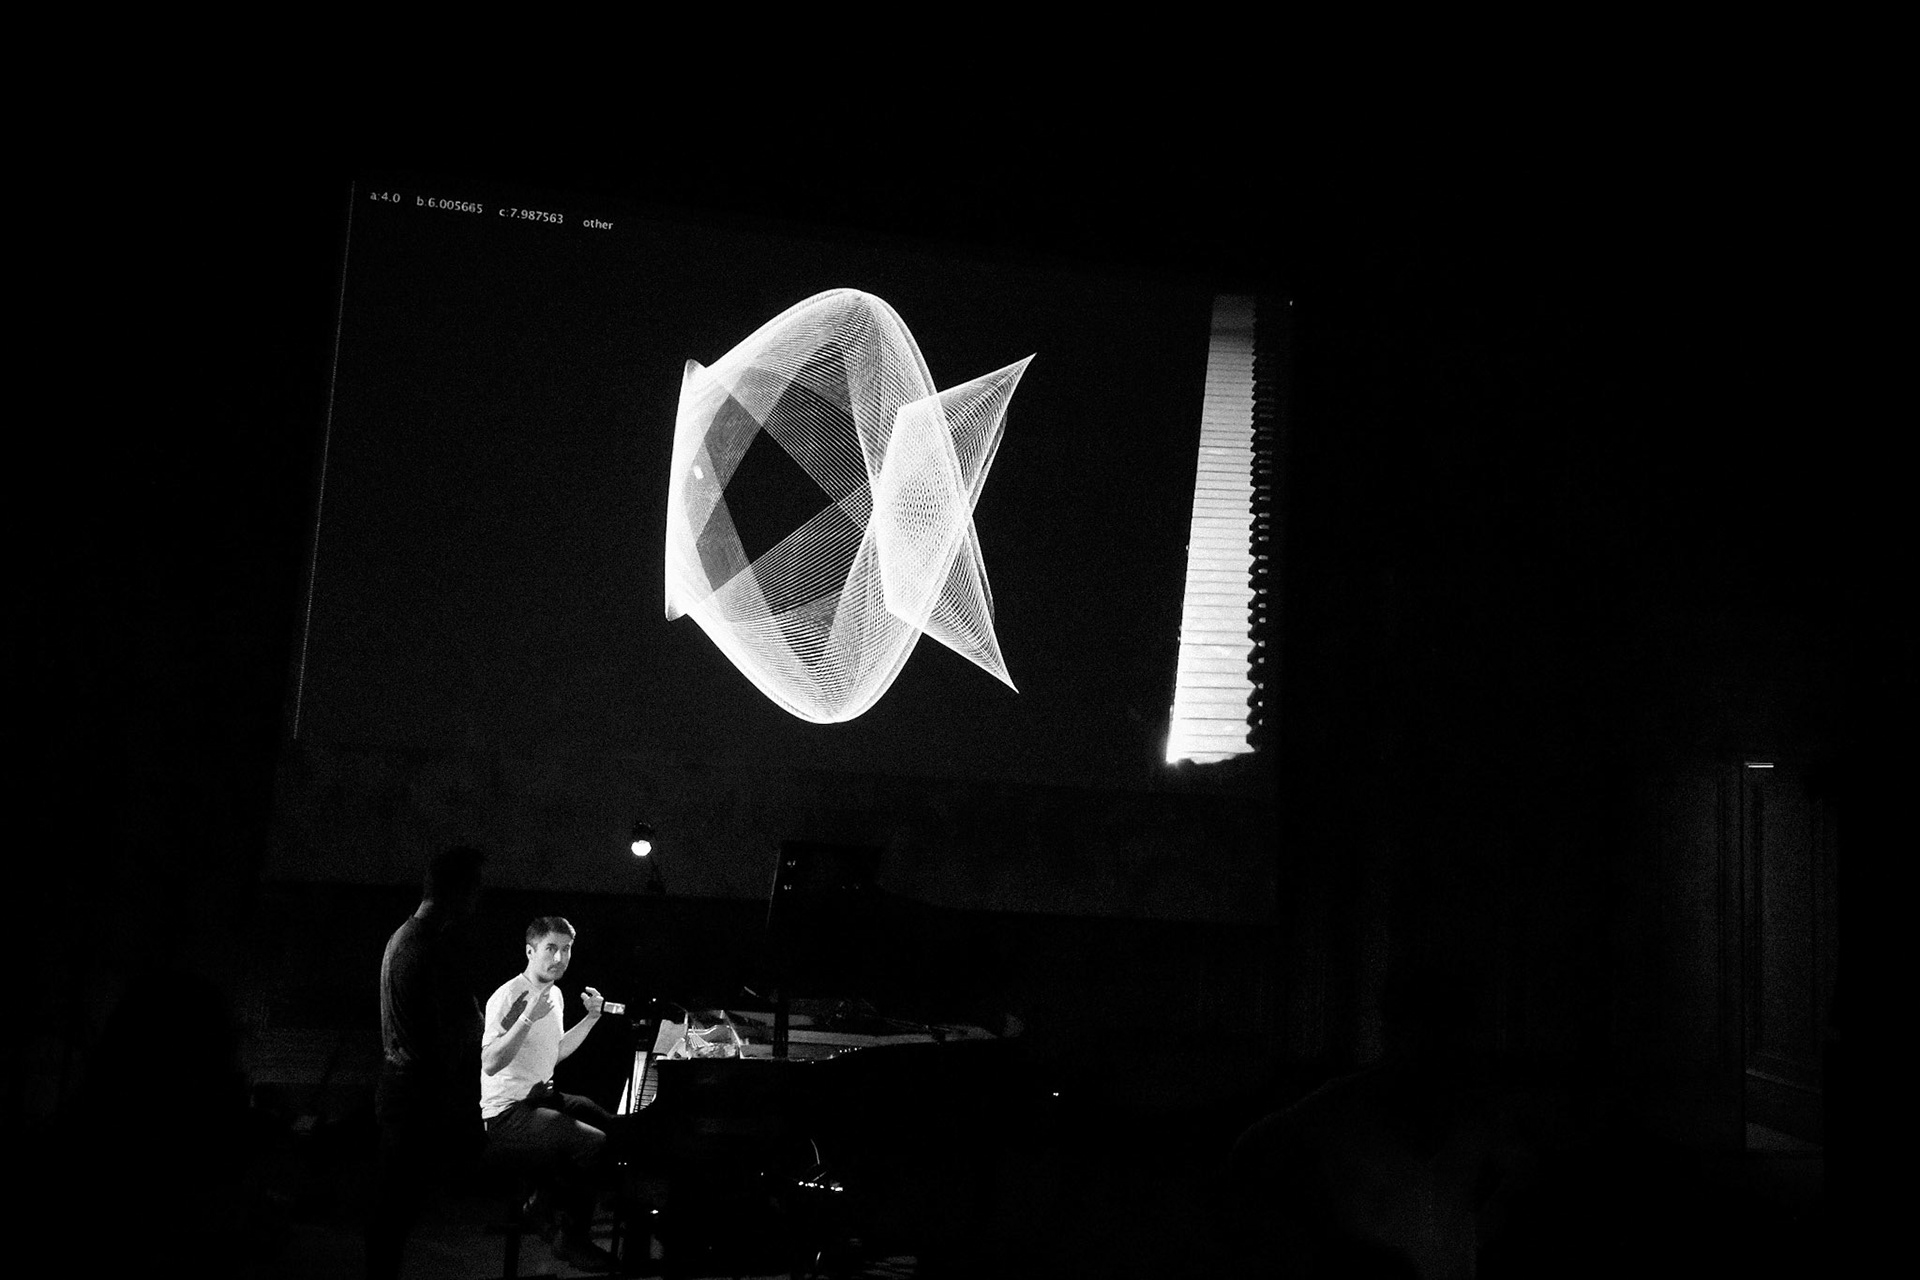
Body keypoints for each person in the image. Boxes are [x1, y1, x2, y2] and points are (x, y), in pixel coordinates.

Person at [367, 845, 487, 1280]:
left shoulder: (402, 936)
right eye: (475, 889)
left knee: (391, 1211)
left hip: (400, 1083)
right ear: (461, 890)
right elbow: (464, 1026)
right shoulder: (431, 947)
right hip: (417, 1091)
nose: (478, 900)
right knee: (395, 1211)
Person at [480, 916, 624, 1272]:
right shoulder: (512, 996)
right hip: (507, 1113)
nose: (559, 958)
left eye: (566, 949)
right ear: (530, 951)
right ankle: (568, 1238)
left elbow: (553, 1053)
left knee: (609, 1125)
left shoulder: (555, 994)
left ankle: (542, 1201)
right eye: (551, 949)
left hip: (541, 1098)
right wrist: (527, 1016)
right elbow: (490, 1063)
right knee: (591, 1143)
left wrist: (591, 1019)